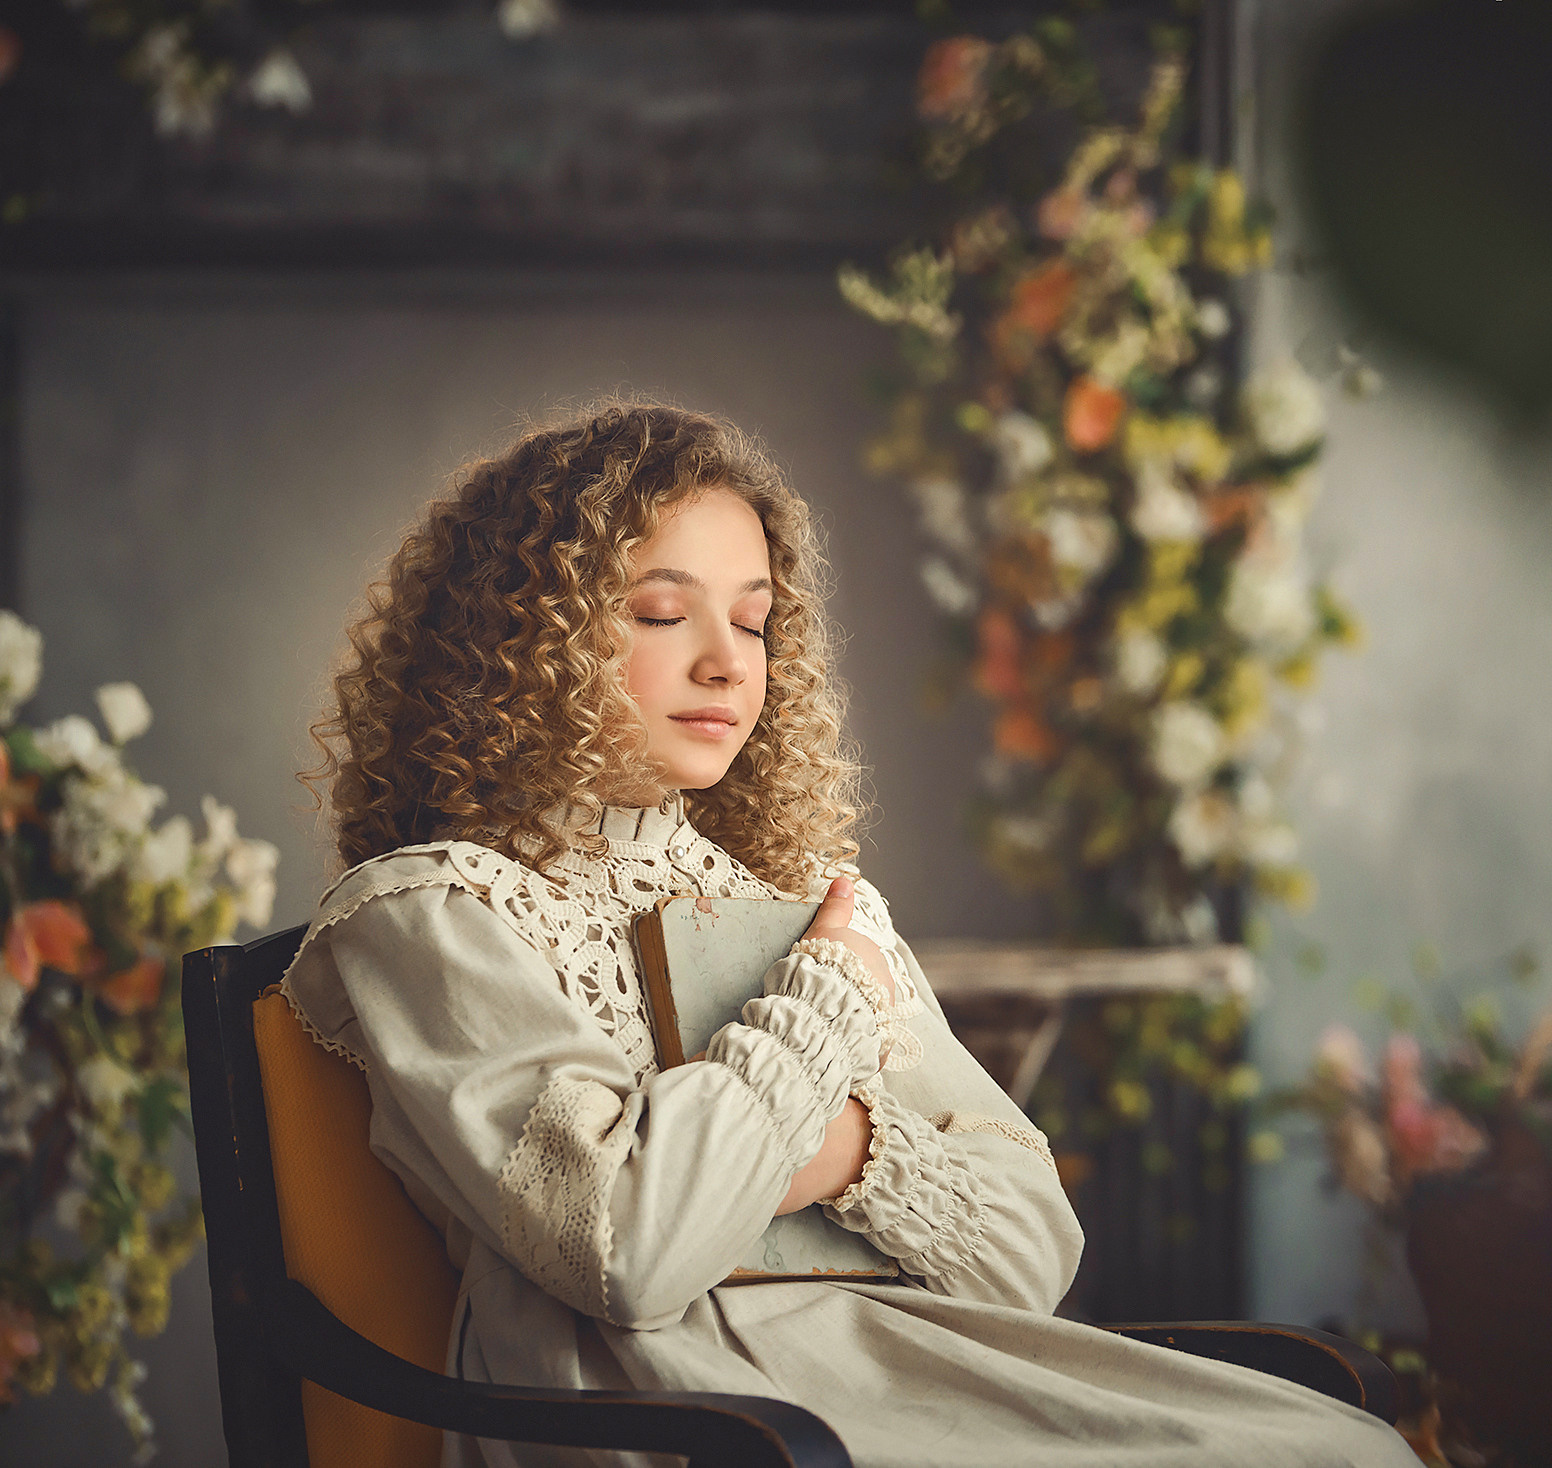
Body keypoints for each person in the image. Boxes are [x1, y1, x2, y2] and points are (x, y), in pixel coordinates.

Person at [284, 402, 1418, 1467]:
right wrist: (819, 1009)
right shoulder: (435, 911)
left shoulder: (803, 903)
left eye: (754, 618)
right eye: (661, 612)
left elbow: (1029, 1253)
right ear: (526, 635)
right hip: (688, 1412)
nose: (727, 661)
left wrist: (843, 1151)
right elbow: (629, 1247)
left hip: (894, 1363)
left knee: (1345, 1448)